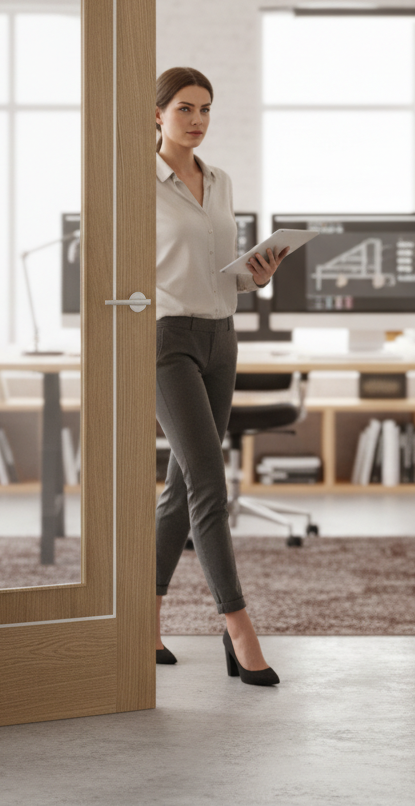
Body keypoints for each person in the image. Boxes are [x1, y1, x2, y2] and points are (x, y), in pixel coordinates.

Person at [153, 66, 289, 686]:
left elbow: (219, 270)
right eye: (186, 109)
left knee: (181, 491)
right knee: (210, 483)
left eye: (206, 110)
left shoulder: (221, 181)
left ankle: (142, 619)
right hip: (167, 340)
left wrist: (255, 274)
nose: (198, 121)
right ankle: (237, 626)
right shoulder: (137, 183)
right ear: (158, 114)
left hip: (221, 336)